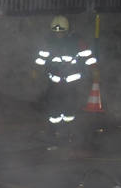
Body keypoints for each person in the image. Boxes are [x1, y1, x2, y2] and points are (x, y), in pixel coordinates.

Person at [34, 15, 97, 143]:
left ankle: (68, 131)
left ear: (66, 31)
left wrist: (94, 70)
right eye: (55, 32)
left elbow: (88, 56)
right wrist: (35, 70)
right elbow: (42, 57)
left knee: (69, 108)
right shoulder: (49, 41)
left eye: (60, 32)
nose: (58, 35)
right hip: (54, 83)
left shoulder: (77, 42)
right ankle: (53, 131)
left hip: (71, 84)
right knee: (53, 108)